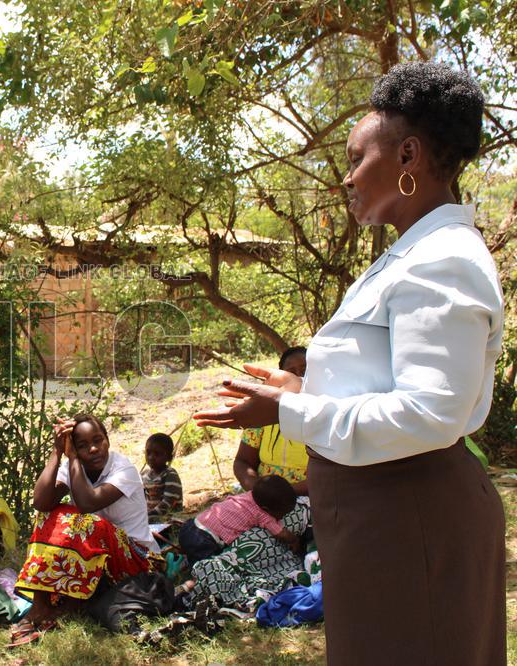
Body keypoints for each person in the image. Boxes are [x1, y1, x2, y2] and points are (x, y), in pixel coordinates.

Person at [194, 62, 505, 665]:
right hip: (380, 517)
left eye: (356, 159)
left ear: (408, 156)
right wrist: (306, 384)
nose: (347, 178)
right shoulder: (407, 256)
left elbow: (430, 412)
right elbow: (387, 378)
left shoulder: (443, 260)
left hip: (412, 519)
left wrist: (292, 410)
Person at [10, 414, 159, 646]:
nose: (93, 448)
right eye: (82, 445)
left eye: (98, 440)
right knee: (50, 513)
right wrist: (57, 452)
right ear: (74, 449)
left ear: (108, 440)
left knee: (88, 522)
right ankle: (40, 606)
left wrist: (73, 458)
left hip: (137, 562)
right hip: (99, 558)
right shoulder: (73, 466)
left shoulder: (124, 469)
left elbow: (87, 503)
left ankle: (69, 606)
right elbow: (41, 502)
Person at [234, 347, 310, 495]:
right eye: (291, 373)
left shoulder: (325, 415)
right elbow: (243, 462)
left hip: (311, 499)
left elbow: (330, 475)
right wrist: (257, 488)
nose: (299, 377)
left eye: (305, 370)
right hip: (263, 498)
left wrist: (285, 494)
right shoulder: (263, 415)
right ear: (280, 378)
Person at [177, 475, 298, 567]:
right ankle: (191, 579)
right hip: (204, 540)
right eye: (283, 513)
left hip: (191, 525)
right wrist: (294, 540)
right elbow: (281, 534)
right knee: (210, 567)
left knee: (194, 554)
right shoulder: (262, 514)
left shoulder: (247, 496)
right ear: (267, 509)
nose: (282, 518)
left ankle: (184, 559)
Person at [140, 433, 183, 521]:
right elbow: (141, 499)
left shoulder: (170, 475)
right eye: (148, 453)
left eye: (157, 454)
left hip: (169, 520)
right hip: (151, 518)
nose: (151, 457)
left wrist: (147, 516)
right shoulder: (144, 475)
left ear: (169, 457)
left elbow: (167, 504)